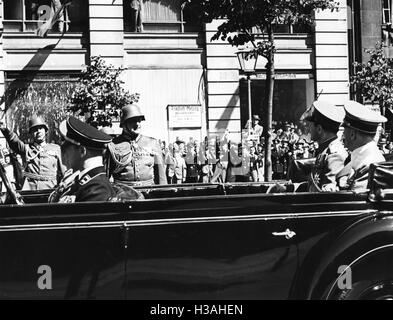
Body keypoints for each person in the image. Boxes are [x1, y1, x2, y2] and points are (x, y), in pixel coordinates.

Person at [49, 116, 115, 203]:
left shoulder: (97, 189)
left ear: (82, 151)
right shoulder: (90, 183)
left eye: (67, 148)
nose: (64, 153)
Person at [105, 104, 166, 186]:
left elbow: (161, 175)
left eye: (139, 120)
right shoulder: (113, 145)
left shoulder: (153, 143)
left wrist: (163, 192)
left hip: (148, 192)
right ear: (124, 124)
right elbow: (105, 176)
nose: (137, 124)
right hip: (123, 192)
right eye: (133, 121)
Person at [0, 115, 65, 190]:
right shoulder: (26, 148)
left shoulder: (56, 149)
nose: (38, 131)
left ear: (46, 131)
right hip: (30, 190)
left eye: (41, 128)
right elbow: (14, 142)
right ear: (31, 133)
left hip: (51, 189)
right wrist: (5, 129)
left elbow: (63, 172)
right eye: (35, 129)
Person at [300, 100, 348, 192]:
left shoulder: (334, 154)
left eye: (310, 126)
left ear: (319, 129)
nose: (309, 130)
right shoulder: (325, 150)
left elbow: (327, 194)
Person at [340, 101, 387, 191]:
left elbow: (355, 201)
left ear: (352, 134)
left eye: (344, 130)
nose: (342, 135)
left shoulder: (369, 164)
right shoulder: (363, 157)